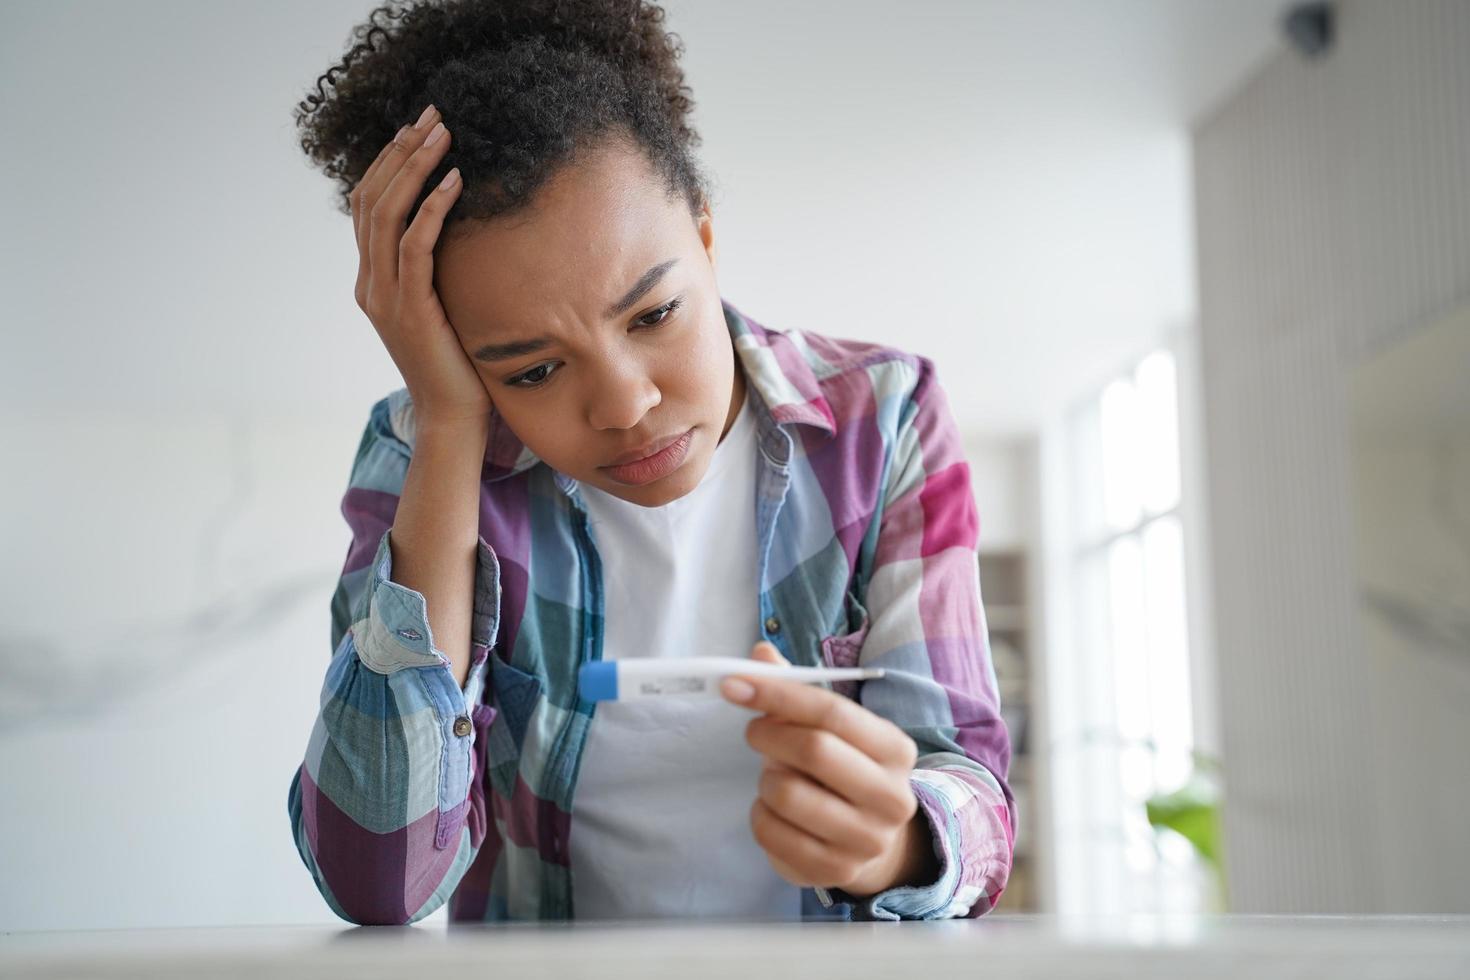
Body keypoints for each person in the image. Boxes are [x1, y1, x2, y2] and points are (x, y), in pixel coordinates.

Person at [285, 0, 1014, 925]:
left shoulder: (882, 416)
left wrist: (903, 841)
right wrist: (446, 426)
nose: (625, 405)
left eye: (653, 315)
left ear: (704, 239)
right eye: (535, 369)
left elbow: (969, 786)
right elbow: (376, 883)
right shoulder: (420, 448)